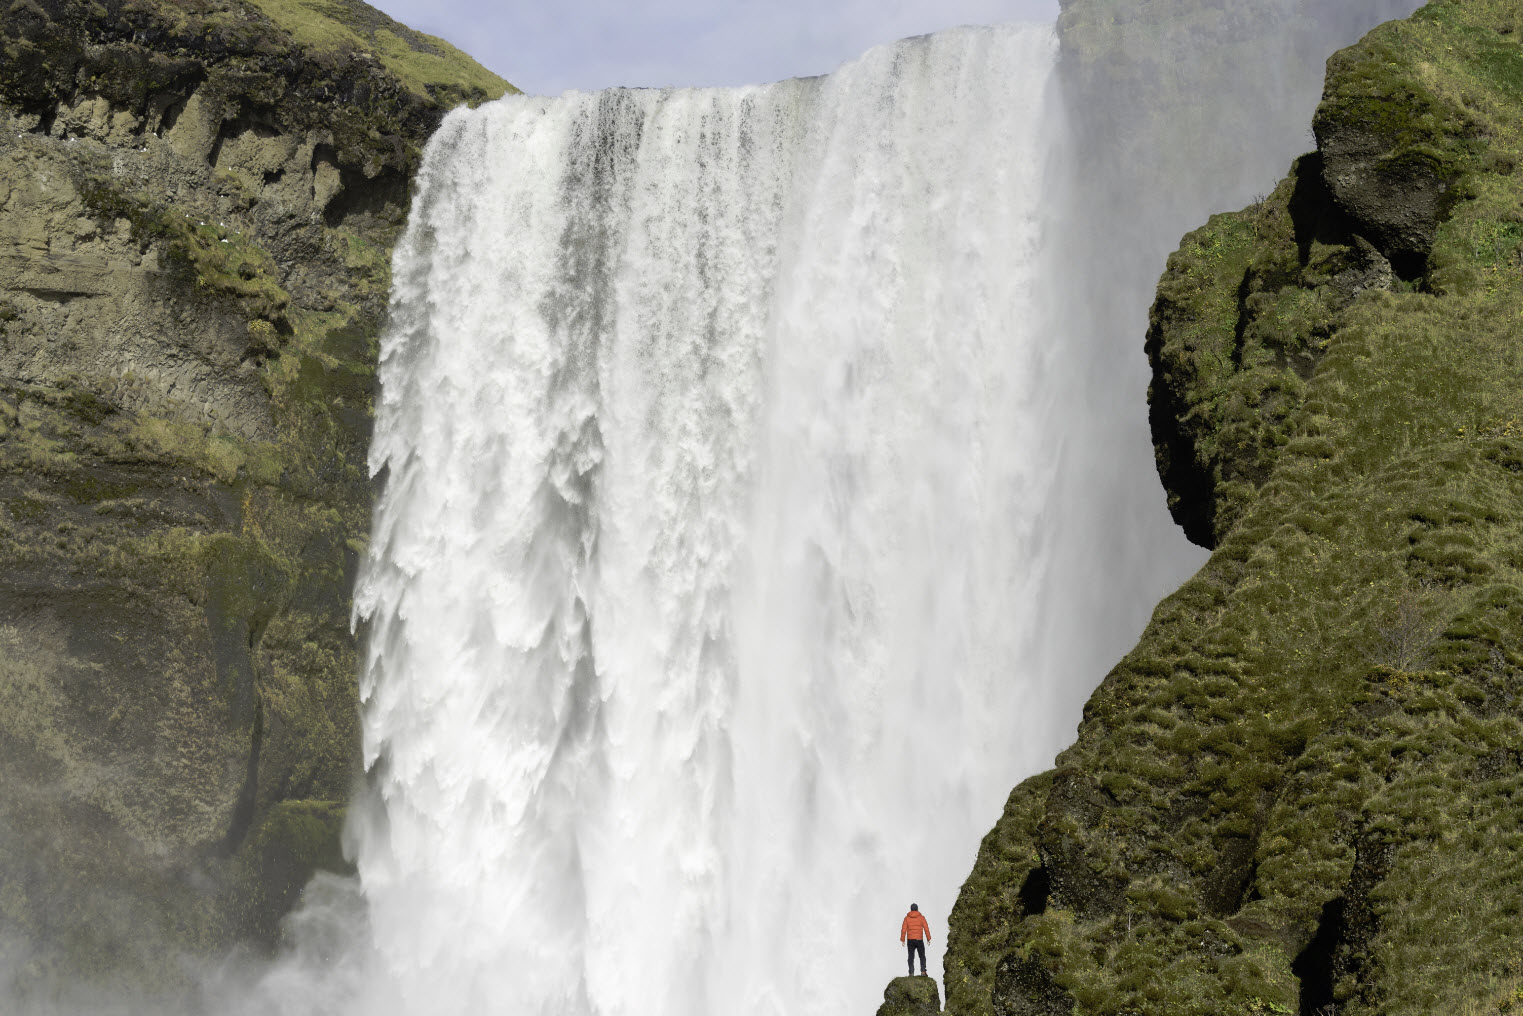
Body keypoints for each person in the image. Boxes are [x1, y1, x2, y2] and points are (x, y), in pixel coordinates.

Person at [900, 903, 931, 977]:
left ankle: (911, 973)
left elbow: (903, 930)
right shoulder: (921, 918)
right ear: (917, 909)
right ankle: (923, 971)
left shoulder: (906, 918)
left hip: (910, 940)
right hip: (919, 939)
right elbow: (926, 928)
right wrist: (928, 938)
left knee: (911, 956)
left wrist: (903, 939)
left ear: (911, 909)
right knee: (922, 956)